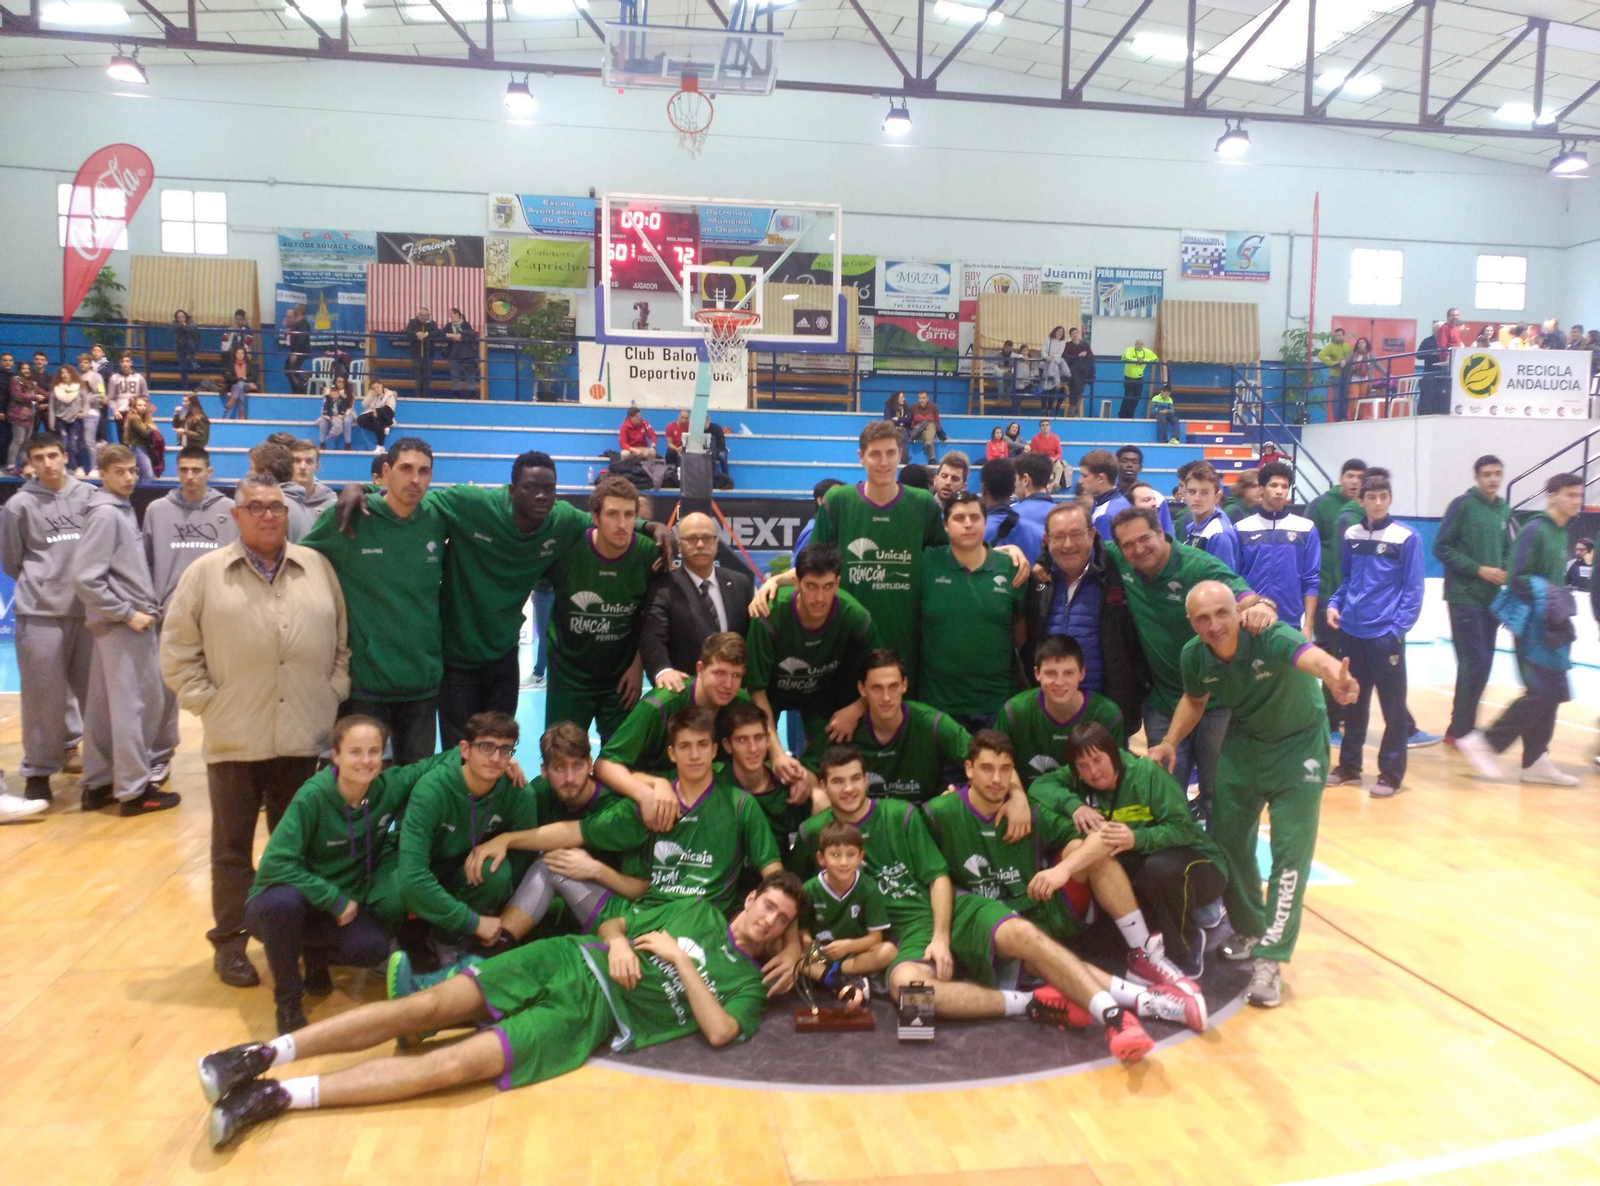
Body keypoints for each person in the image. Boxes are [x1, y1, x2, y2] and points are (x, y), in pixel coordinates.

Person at [196, 871, 806, 1149]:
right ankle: (261, 1054)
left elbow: (722, 1032)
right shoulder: (697, 908)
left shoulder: (747, 985)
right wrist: (619, 940)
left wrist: (682, 962)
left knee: (454, 1066)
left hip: (587, 1021)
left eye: (782, 921)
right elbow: (616, 917)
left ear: (783, 933)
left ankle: (279, 1096)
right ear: (751, 897)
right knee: (425, 1005)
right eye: (768, 906)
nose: (769, 919)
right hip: (567, 958)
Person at [793, 744, 1162, 1062]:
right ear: (822, 786)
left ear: (865, 778)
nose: (848, 788)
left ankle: (1118, 1015)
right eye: (837, 782)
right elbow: (797, 895)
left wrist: (940, 936)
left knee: (1023, 935)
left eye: (855, 778)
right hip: (897, 938)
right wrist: (804, 953)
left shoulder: (901, 814)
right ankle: (1030, 1002)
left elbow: (937, 878)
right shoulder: (814, 834)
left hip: (947, 911)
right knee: (910, 995)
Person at [160, 473, 349, 988]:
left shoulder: (317, 566)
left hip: (303, 733)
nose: (268, 514)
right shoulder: (204, 574)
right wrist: (208, 704)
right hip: (234, 738)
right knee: (231, 848)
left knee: (303, 850)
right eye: (256, 506)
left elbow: (341, 641)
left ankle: (307, 946)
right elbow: (176, 651)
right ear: (235, 515)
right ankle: (231, 943)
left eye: (276, 506)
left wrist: (333, 690)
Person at [1148, 583, 1359, 1005]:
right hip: (1245, 745)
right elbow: (1195, 699)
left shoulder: (1269, 634)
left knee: (1289, 854)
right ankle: (1249, 927)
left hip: (1299, 746)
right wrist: (1170, 740)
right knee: (1226, 841)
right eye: (1202, 618)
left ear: (1238, 611)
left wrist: (1335, 675)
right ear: (1191, 623)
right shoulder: (1195, 655)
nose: (1214, 625)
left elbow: (1310, 657)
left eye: (1221, 613)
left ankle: (1271, 957)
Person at [245, 718, 454, 1034]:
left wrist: (491, 759)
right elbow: (274, 864)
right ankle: (287, 1000)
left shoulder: (387, 786)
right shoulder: (313, 796)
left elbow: (436, 761)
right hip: (282, 902)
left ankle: (314, 957)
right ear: (336, 755)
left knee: (371, 948)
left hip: (336, 910)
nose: (366, 760)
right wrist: (335, 898)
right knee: (282, 904)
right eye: (355, 752)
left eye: (374, 752)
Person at [1108, 507, 1276, 823]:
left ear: (1162, 532)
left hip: (1218, 703)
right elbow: (1075, 547)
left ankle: (1222, 866)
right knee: (1166, 795)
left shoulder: (1198, 567)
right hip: (1162, 703)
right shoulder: (1120, 560)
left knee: (1219, 793)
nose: (1138, 548)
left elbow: (1246, 597)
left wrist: (1264, 608)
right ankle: (1173, 866)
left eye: (1145, 538)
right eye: (1128, 544)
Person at [754, 421, 947, 691]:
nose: (884, 462)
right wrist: (775, 581)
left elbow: (948, 559)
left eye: (891, 453)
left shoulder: (923, 504)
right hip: (844, 641)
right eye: (875, 454)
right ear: (861, 457)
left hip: (905, 640)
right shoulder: (839, 501)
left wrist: (1000, 551)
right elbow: (814, 568)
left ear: (900, 454)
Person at [1034, 723, 1225, 979]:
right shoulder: (1078, 779)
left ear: (1113, 753)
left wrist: (1137, 838)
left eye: (1097, 760)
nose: (1092, 771)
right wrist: (1074, 806)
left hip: (1197, 863)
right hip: (1141, 870)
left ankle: (1188, 944)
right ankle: (1180, 921)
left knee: (1157, 870)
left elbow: (1185, 830)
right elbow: (1038, 787)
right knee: (1101, 941)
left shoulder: (1147, 774)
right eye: (1083, 766)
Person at [302, 438, 446, 765]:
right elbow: (300, 563)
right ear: (385, 472)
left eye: (424, 471)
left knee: (415, 786)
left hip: (422, 684)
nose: (415, 479)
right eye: (405, 469)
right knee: (360, 786)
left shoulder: (436, 517)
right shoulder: (349, 516)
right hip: (366, 684)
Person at [1456, 474, 1585, 787]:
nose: (1576, 501)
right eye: (1570, 495)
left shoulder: (1559, 532)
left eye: (1579, 495)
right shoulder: (1534, 529)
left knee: (1553, 691)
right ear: (1551, 496)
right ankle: (1485, 743)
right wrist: (1550, 593)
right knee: (1541, 691)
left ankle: (1535, 761)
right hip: (1529, 626)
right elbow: (1516, 577)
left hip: (1550, 624)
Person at [72, 444, 180, 815]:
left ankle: (98, 783)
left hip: (112, 626)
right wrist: (126, 612)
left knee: (103, 710)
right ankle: (135, 792)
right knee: (137, 708)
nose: (130, 477)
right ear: (102, 474)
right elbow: (86, 578)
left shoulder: (116, 509)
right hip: (123, 626)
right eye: (120, 471)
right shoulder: (107, 514)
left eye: (133, 470)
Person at [1, 431, 94, 806]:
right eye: (38, 458)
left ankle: (102, 771)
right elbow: (11, 560)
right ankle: (38, 771)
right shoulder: (19, 505)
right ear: (30, 464)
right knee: (42, 698)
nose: (47, 464)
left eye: (53, 455)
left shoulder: (90, 497)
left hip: (89, 611)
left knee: (96, 697)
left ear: (65, 456)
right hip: (39, 611)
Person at [397, 711, 536, 959]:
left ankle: (444, 941)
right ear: (465, 749)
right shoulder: (431, 791)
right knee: (394, 893)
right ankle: (398, 936)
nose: (496, 758)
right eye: (486, 747)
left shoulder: (519, 794)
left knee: (495, 872)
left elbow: (521, 861)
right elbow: (412, 878)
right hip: (430, 873)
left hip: (467, 876)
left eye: (505, 750)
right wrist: (475, 922)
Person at [1326, 473, 1422, 797]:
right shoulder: (1352, 534)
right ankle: (1350, 766)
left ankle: (1391, 773)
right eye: (1372, 497)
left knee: (1393, 708)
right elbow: (1348, 578)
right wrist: (1335, 603)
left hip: (1385, 635)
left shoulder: (1406, 537)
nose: (1378, 502)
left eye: (1383, 496)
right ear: (1361, 501)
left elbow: (1413, 589)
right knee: (1353, 702)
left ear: (1390, 498)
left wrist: (1398, 630)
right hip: (1352, 632)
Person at [545, 474, 658, 741]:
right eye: (612, 514)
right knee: (561, 757)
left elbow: (654, 616)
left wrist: (637, 665)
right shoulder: (567, 549)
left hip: (622, 678)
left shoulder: (648, 553)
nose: (622, 524)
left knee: (623, 763)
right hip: (569, 676)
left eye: (629, 515)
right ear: (594, 517)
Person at [1022, 501, 1150, 729]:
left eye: (1076, 534)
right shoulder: (1037, 580)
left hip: (1108, 711)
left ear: (1092, 534)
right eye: (1058, 537)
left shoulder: (1117, 571)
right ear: (1047, 540)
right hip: (1048, 711)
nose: (1068, 544)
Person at [744, 542, 879, 751]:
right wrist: (776, 753)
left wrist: (857, 708)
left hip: (824, 695)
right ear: (796, 582)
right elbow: (756, 689)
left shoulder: (854, 616)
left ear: (838, 583)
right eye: (811, 586)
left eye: (828, 586)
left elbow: (880, 672)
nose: (820, 598)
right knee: (761, 756)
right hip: (771, 695)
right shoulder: (768, 615)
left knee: (832, 758)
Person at [799, 649, 973, 805]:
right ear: (862, 689)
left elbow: (981, 758)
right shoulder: (844, 727)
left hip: (920, 824)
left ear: (904, 685)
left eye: (893, 687)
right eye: (877, 688)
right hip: (857, 828)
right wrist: (818, 794)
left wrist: (961, 794)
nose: (886, 697)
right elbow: (808, 771)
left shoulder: (932, 723)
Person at [918, 492, 1028, 732]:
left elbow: (1021, 631)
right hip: (939, 705)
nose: (968, 524)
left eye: (974, 517)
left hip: (996, 703)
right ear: (945, 526)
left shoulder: (1011, 568)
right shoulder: (925, 564)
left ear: (984, 522)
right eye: (959, 518)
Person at [1433, 455, 1511, 746]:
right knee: (1473, 663)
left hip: (1491, 600)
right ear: (1476, 477)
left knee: (1484, 664)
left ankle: (1464, 727)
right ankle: (1459, 730)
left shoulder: (1504, 510)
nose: (1493, 479)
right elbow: (1441, 547)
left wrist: (1505, 568)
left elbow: (1508, 549)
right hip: (1464, 597)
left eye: (1497, 474)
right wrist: (1478, 569)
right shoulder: (1462, 505)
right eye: (1487, 474)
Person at [640, 511, 753, 689]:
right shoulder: (662, 587)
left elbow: (752, 635)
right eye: (691, 538)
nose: (700, 545)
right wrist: (663, 670)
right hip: (687, 692)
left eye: (707, 538)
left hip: (734, 692)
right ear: (679, 544)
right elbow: (653, 636)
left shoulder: (741, 583)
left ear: (716, 543)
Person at [998, 634, 1124, 785]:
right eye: (1051, 673)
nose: (1059, 682)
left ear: (1082, 673)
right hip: (1028, 803)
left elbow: (1114, 777)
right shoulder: (1015, 712)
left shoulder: (1107, 715)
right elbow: (996, 763)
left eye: (1068, 673)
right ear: (1037, 673)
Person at [802, 820, 897, 993]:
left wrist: (847, 946)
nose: (844, 862)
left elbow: (875, 938)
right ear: (821, 858)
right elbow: (802, 930)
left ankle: (835, 974)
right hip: (820, 955)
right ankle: (839, 978)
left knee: (888, 951)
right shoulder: (809, 889)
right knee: (790, 953)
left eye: (851, 854)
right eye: (836, 855)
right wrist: (810, 946)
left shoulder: (868, 888)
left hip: (854, 954)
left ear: (860, 857)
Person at [144, 445, 239, 612]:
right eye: (184, 470)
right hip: (169, 608)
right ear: (177, 471)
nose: (189, 476)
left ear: (209, 472)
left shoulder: (231, 510)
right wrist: (150, 598)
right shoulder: (156, 510)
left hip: (219, 607)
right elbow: (145, 562)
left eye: (196, 470)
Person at [1308, 459, 1364, 738]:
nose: (1355, 482)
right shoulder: (1322, 506)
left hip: (1348, 600)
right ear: (1340, 478)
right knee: (1330, 658)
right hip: (1324, 595)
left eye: (1359, 478)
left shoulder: (1362, 512)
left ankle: (1335, 719)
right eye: (1350, 476)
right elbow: (1307, 547)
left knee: (1345, 659)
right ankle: (1327, 723)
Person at [1234, 461, 1320, 636]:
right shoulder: (1242, 529)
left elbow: (1311, 579)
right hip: (1250, 618)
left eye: (1284, 486)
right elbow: (1235, 578)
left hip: (1291, 621)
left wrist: (1308, 625)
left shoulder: (1305, 528)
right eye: (1273, 485)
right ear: (1261, 488)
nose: (1279, 491)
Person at [1181, 462, 1241, 572]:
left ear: (1217, 497)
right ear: (1185, 494)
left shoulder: (1219, 534)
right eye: (1192, 492)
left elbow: (1223, 582)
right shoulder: (1193, 528)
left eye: (1204, 493)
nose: (1197, 498)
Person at [1081, 449, 1130, 541]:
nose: (1080, 481)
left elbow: (1103, 553)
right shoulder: (1122, 500)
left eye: (1085, 476)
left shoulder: (1105, 515)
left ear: (1100, 478)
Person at [48, 362, 87, 476]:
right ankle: (62, 467)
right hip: (61, 419)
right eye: (62, 373)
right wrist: (52, 421)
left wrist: (83, 413)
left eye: (67, 373)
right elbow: (52, 407)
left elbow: (86, 403)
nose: (65, 375)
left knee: (75, 443)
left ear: (72, 374)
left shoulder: (79, 388)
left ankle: (79, 467)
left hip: (75, 420)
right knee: (63, 443)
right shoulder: (56, 390)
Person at [791, 477, 843, 557]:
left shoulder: (832, 528)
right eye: (836, 497)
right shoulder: (813, 531)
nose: (841, 502)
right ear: (820, 501)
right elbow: (801, 566)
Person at [6, 363, 42, 472]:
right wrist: (35, 397)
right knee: (18, 440)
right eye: (23, 368)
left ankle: (24, 465)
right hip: (18, 415)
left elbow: (42, 392)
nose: (26, 370)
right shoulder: (16, 380)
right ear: (19, 370)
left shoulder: (32, 383)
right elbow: (18, 395)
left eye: (27, 368)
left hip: (29, 416)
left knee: (26, 442)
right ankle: (11, 465)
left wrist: (52, 394)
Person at [290, 440, 337, 516]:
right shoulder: (280, 500)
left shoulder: (330, 505)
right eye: (297, 461)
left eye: (309, 461)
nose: (303, 467)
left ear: (317, 466)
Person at [1315, 327, 1352, 420]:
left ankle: (1344, 415)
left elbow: (1351, 357)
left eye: (1339, 335)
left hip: (1346, 374)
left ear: (1344, 335)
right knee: (1336, 396)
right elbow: (1320, 355)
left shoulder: (1347, 346)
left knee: (1346, 395)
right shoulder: (1331, 346)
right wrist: (1332, 363)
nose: (1337, 337)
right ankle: (1337, 417)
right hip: (1336, 374)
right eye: (1336, 335)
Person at [441, 307, 478, 397]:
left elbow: (471, 334)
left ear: (457, 314)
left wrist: (460, 336)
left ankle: (471, 393)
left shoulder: (466, 324)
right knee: (455, 375)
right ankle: (456, 393)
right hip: (453, 354)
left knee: (470, 375)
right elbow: (442, 334)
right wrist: (452, 335)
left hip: (467, 355)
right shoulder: (449, 326)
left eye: (451, 314)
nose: (450, 316)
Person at [122, 393, 157, 482]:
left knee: (143, 474)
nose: (142, 407)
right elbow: (145, 433)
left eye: (144, 405)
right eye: (139, 405)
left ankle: (142, 492)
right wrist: (151, 429)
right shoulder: (134, 418)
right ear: (134, 406)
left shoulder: (144, 418)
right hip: (137, 447)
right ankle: (145, 494)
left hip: (143, 446)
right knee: (148, 474)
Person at [404, 307, 438, 398]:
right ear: (418, 315)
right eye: (422, 315)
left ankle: (426, 396)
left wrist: (426, 334)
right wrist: (417, 333)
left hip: (428, 355)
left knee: (427, 377)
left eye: (426, 315)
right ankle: (418, 396)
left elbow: (436, 333)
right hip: (416, 354)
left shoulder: (432, 324)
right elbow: (407, 332)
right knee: (417, 377)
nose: (424, 317)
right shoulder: (412, 322)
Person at [315, 375, 356, 450]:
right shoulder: (330, 393)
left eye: (342, 382)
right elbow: (325, 405)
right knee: (323, 420)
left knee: (346, 421)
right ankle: (322, 443)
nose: (340, 384)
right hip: (333, 414)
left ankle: (348, 444)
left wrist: (343, 415)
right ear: (335, 382)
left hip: (348, 414)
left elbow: (350, 408)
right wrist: (325, 414)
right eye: (338, 382)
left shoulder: (350, 393)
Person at [1119, 339, 1157, 418]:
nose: (1139, 345)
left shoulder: (1146, 352)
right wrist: (1136, 360)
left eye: (1141, 344)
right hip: (1129, 378)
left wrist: (1144, 360)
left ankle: (1130, 415)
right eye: (1138, 344)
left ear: (1143, 345)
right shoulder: (1129, 350)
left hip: (1139, 378)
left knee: (1136, 398)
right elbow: (1125, 357)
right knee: (1128, 397)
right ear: (1135, 344)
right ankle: (1122, 415)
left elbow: (1155, 359)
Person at [356, 378, 397, 450]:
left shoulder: (389, 394)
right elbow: (364, 405)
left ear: (381, 385)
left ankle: (380, 445)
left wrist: (377, 411)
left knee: (377, 419)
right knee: (360, 420)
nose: (376, 389)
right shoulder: (372, 394)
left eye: (377, 387)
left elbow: (390, 409)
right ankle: (382, 430)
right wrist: (371, 396)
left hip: (386, 416)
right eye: (374, 388)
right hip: (373, 414)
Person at [1062, 326, 1093, 416]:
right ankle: (1071, 414)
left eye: (1076, 333)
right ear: (1070, 336)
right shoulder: (1068, 345)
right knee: (1075, 392)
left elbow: (1091, 356)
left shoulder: (1085, 344)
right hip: (1073, 374)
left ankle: (1074, 413)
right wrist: (1077, 356)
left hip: (1083, 372)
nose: (1075, 335)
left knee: (1080, 392)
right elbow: (1065, 356)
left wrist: (1085, 355)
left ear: (1079, 334)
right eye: (1072, 334)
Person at [221, 345, 258, 420]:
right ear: (235, 354)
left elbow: (254, 377)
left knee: (241, 384)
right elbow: (228, 377)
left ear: (244, 355)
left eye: (242, 353)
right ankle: (242, 415)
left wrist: (244, 379)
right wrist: (238, 379)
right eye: (238, 353)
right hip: (234, 385)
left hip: (247, 385)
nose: (240, 355)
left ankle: (232, 400)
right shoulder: (230, 365)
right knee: (239, 389)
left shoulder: (250, 365)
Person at [283, 303, 311, 394]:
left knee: (291, 368)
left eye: (295, 309)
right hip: (295, 351)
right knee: (289, 368)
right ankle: (298, 386)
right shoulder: (297, 323)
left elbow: (301, 339)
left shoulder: (303, 324)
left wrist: (296, 353)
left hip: (300, 352)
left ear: (299, 311)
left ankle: (301, 386)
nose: (293, 310)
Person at [1039, 326, 1068, 414]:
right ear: (1055, 331)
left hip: (1054, 368)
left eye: (1062, 332)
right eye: (1058, 331)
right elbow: (1043, 352)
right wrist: (1046, 357)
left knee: (1052, 389)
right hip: (1044, 366)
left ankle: (1049, 409)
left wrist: (1052, 357)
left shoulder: (1062, 343)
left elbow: (1059, 354)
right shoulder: (1047, 340)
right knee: (1044, 388)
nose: (1060, 333)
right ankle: (1043, 408)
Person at [1029, 419, 1064, 490]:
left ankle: (1055, 483)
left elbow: (1059, 453)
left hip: (1053, 460)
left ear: (1050, 427)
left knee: (1059, 467)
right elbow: (1034, 453)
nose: (1045, 427)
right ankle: (1048, 484)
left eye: (1047, 425)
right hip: (1041, 460)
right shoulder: (1035, 438)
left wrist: (1055, 458)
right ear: (1040, 428)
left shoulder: (1055, 438)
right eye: (1043, 425)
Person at [909, 391, 943, 464]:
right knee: (929, 435)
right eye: (920, 398)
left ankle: (928, 446)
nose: (921, 400)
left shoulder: (933, 406)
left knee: (931, 425)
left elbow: (937, 421)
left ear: (927, 399)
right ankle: (931, 459)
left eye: (923, 398)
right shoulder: (913, 407)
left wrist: (942, 435)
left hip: (931, 429)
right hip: (919, 432)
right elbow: (909, 421)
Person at [174, 309, 200, 393]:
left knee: (190, 341)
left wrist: (184, 327)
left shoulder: (190, 322)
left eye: (182, 316)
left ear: (186, 316)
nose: (181, 319)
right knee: (183, 368)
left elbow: (193, 328)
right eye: (179, 317)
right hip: (180, 348)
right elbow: (170, 326)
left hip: (190, 347)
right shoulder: (175, 323)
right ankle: (185, 388)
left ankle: (192, 359)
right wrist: (182, 326)